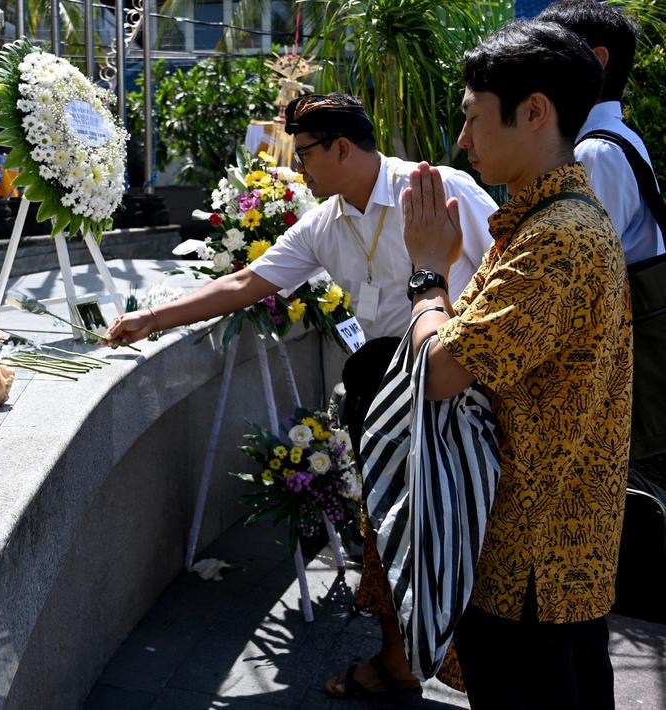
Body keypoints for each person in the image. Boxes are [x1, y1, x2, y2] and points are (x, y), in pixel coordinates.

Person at [104, 92, 498, 698]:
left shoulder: (438, 188)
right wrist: (153, 318)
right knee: (388, 529)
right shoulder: (325, 222)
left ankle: (491, 675)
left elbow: (505, 270)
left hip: (462, 388)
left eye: (306, 153)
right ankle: (396, 662)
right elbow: (245, 281)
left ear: (342, 148)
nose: (300, 168)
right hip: (386, 400)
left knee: (470, 535)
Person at [400, 20, 630, 709]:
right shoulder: (543, 222)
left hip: (534, 562)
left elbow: (441, 369)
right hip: (541, 552)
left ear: (533, 112)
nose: (462, 140)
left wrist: (423, 279)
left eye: (472, 118)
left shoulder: (556, 240)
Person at [539, 0, 664, 264]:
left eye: (547, 53)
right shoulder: (613, 139)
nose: (534, 67)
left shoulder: (596, 151)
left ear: (596, 61)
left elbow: (585, 266)